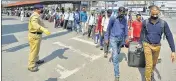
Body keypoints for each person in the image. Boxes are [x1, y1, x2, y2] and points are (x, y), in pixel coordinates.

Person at [139, 5, 176, 81]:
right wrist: (141, 43)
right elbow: (142, 33)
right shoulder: (145, 22)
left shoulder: (163, 23)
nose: (155, 15)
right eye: (153, 14)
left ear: (158, 12)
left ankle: (150, 74)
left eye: (156, 14)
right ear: (150, 12)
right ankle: (147, 79)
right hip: (147, 45)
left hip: (157, 46)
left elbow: (169, 36)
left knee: (153, 64)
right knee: (149, 64)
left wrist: (173, 51)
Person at [104, 7, 128, 81]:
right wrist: (106, 38)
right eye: (121, 12)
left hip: (120, 39)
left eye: (123, 13)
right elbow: (108, 29)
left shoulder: (124, 19)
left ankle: (115, 55)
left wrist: (126, 37)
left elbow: (125, 29)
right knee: (115, 56)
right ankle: (117, 75)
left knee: (117, 52)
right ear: (118, 12)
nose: (122, 14)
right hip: (113, 38)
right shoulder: (113, 18)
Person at [28, 4, 51, 72]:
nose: (41, 10)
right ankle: (31, 66)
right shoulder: (35, 15)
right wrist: (43, 29)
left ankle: (36, 60)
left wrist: (44, 27)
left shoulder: (37, 15)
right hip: (35, 35)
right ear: (36, 9)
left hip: (36, 35)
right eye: (40, 8)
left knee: (36, 50)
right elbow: (34, 24)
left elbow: (39, 23)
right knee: (34, 51)